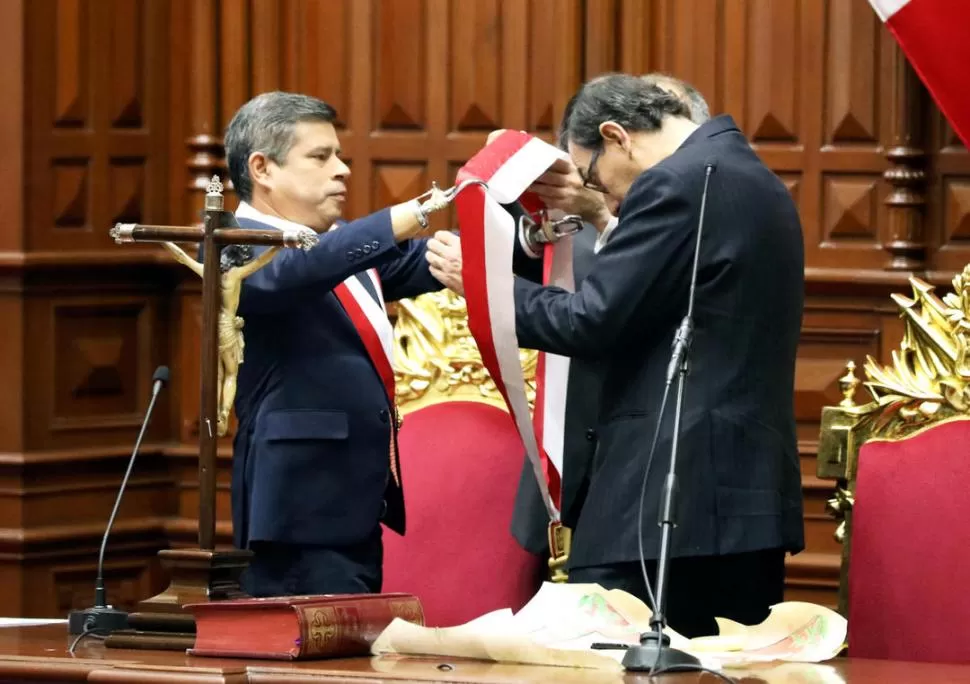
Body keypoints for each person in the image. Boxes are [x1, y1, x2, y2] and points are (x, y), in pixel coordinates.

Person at [431, 74, 805, 638]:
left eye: (592, 175)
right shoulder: (753, 178)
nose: (602, 195)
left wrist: (484, 283)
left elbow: (589, 320)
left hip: (664, 504)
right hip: (744, 504)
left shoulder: (676, 183)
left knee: (612, 664)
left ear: (616, 136)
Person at [223, 91, 449, 597]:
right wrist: (406, 215)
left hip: (358, 502)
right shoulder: (231, 241)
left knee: (357, 642)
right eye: (320, 157)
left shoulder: (336, 243)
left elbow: (427, 261)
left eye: (338, 155)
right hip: (296, 512)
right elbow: (296, 273)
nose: (342, 170)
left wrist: (523, 234)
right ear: (262, 168)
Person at [502, 74, 712, 561]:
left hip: (655, 475)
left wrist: (603, 215)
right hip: (566, 454)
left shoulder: (701, 206)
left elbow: (617, 306)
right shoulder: (577, 200)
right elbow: (519, 252)